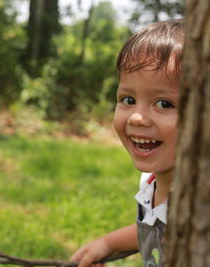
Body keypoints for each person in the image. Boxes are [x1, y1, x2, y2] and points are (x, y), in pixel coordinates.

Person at [69, 19, 184, 267]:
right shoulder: (151, 182)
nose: (136, 117)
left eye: (164, 103)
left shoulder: (206, 205)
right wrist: (107, 244)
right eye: (128, 99)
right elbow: (155, 225)